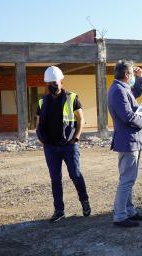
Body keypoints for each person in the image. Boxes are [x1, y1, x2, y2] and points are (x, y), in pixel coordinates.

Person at [36, 66, 91, 222]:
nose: (52, 85)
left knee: (75, 174)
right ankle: (59, 210)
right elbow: (38, 121)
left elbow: (80, 119)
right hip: (50, 147)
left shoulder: (72, 98)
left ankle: (85, 202)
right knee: (55, 179)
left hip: (68, 145)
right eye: (49, 83)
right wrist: (41, 138)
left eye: (55, 82)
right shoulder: (42, 101)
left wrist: (76, 138)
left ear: (61, 80)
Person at [108, 60, 142, 228]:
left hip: (132, 140)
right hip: (128, 141)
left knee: (129, 179)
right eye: (132, 73)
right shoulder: (118, 90)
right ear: (126, 75)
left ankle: (129, 210)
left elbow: (134, 94)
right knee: (126, 180)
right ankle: (120, 215)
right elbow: (127, 116)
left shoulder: (122, 88)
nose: (133, 76)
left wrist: (140, 78)